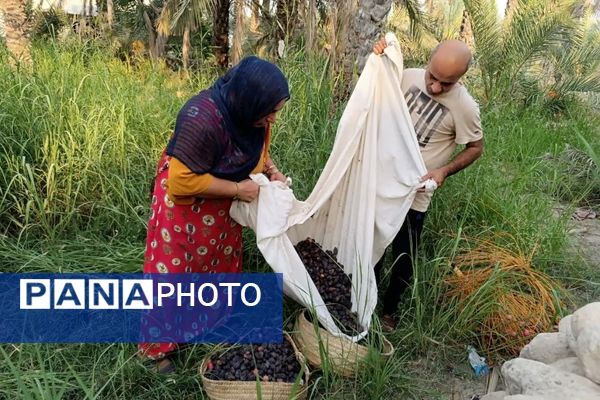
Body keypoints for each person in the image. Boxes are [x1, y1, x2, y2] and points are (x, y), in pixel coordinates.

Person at [138, 56, 290, 372]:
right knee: (175, 269)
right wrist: (237, 190)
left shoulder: (249, 116)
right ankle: (156, 349)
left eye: (277, 110)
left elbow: (257, 151)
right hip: (185, 204)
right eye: (271, 111)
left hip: (219, 203)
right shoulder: (200, 118)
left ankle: (204, 324)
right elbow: (181, 182)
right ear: (249, 101)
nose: (274, 119)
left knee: (217, 261)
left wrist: (272, 170)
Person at [372, 39, 484, 331]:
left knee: (403, 254)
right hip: (382, 184)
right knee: (372, 247)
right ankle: (364, 301)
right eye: (432, 77)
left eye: (445, 84)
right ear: (429, 60)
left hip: (415, 196)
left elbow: (475, 147)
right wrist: (380, 56)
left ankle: (389, 312)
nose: (434, 88)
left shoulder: (465, 107)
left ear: (459, 79)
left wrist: (444, 171)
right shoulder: (406, 76)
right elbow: (374, 89)